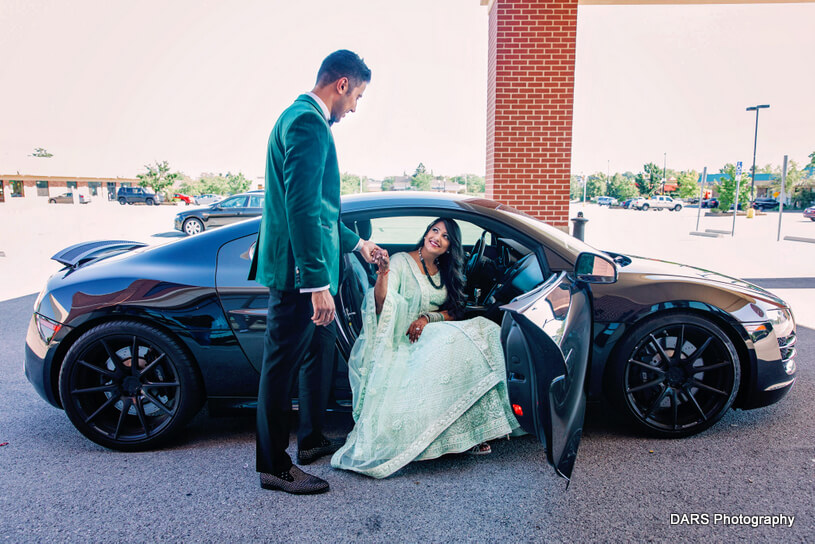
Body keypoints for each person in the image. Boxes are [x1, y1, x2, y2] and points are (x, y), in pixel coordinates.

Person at [249, 50, 378, 495]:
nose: (355, 107)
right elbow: (301, 208)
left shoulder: (298, 117)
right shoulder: (307, 122)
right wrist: (316, 284)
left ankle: (311, 439)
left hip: (303, 267)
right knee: (280, 368)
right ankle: (273, 466)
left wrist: (358, 243)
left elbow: (320, 211)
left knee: (318, 348)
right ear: (341, 84)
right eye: (357, 95)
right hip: (298, 276)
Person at [331, 218, 520, 479]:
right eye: (435, 231)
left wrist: (426, 318)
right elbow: (382, 305)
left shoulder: (444, 270)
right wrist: (383, 274)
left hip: (430, 332)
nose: (438, 238)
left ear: (449, 247)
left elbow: (453, 311)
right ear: (426, 233)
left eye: (445, 237)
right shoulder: (399, 261)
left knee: (485, 330)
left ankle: (473, 429)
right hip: (403, 339)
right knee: (463, 343)